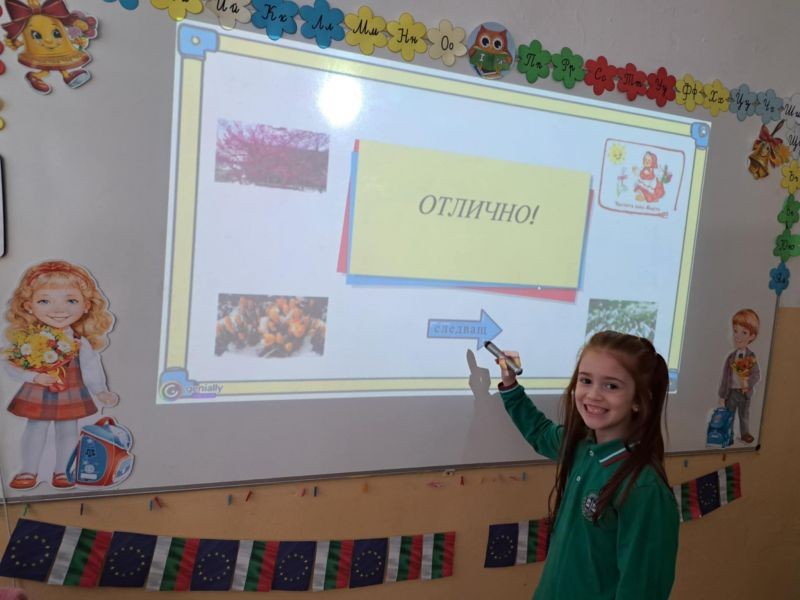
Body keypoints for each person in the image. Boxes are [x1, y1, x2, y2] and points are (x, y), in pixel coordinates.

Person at [495, 331, 678, 599]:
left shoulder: (643, 488)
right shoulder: (581, 446)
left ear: (639, 400)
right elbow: (540, 432)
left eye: (611, 386)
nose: (593, 395)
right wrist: (510, 384)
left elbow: (643, 588)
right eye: (586, 380)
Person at [2, 260, 118, 489]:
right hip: (38, 390)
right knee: (35, 429)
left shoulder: (79, 341)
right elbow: (10, 364)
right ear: (28, 305)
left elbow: (90, 366)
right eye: (44, 301)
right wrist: (33, 377)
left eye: (71, 300)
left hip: (71, 392)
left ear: (86, 305)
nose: (58, 310)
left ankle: (63, 471)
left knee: (68, 430)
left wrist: (100, 390)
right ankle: (28, 470)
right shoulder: (27, 339)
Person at [717, 308, 760, 444]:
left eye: (744, 332)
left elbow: (756, 374)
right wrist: (722, 395)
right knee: (729, 414)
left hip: (744, 393)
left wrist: (748, 383)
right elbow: (725, 378)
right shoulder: (731, 357)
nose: (738, 336)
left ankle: (745, 433)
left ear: (752, 336)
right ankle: (728, 435)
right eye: (735, 331)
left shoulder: (751, 356)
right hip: (732, 392)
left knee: (744, 414)